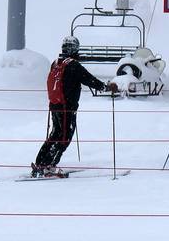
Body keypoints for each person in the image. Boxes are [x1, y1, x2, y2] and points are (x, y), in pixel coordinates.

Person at [32, 36, 117, 178]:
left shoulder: (55, 63)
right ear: (75, 49)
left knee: (55, 134)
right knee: (64, 137)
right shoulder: (73, 65)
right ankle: (49, 166)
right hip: (67, 107)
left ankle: (40, 163)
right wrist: (106, 87)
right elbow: (89, 79)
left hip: (55, 105)